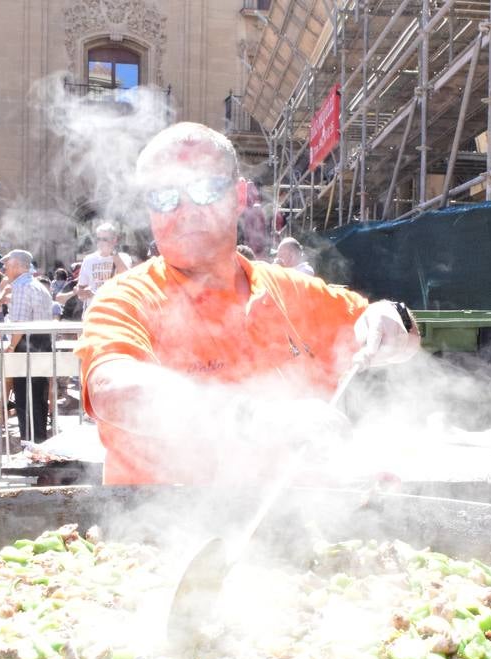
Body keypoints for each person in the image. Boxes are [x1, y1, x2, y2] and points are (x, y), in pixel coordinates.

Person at [75, 122, 418, 485]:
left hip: (297, 522)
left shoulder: (292, 290)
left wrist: (392, 317)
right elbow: (113, 389)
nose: (186, 210)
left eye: (205, 189)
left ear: (239, 197)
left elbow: (398, 331)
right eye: (164, 197)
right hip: (156, 529)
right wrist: (259, 419)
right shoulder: (125, 298)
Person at [2, 250, 55, 443]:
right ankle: (38, 441)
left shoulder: (22, 287)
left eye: (7, 264)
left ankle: (30, 443)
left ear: (18, 264)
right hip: (41, 342)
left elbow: (20, 324)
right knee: (38, 396)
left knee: (25, 397)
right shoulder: (38, 286)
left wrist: (11, 347)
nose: (5, 268)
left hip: (27, 344)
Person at [76, 223, 131, 309]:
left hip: (116, 310)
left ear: (114, 240)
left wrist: (113, 253)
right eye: (98, 239)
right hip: (94, 311)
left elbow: (128, 279)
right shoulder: (89, 259)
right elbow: (81, 291)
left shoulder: (124, 258)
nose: (100, 243)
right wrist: (82, 293)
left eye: (105, 239)